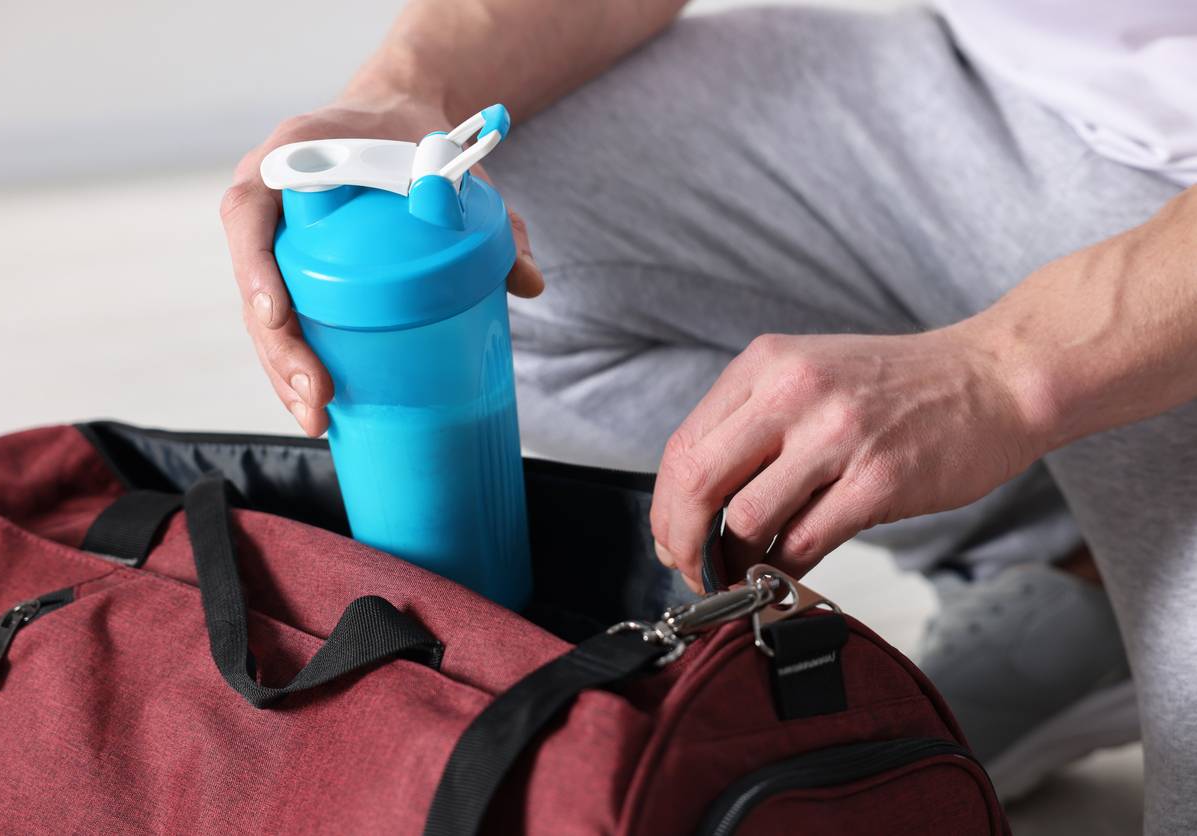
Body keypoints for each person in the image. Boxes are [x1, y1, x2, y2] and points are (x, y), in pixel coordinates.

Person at [220, 0, 1197, 829]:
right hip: (1003, 92)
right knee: (508, 231)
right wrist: (407, 94)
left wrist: (999, 373)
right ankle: (1066, 568)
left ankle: (1125, 548)